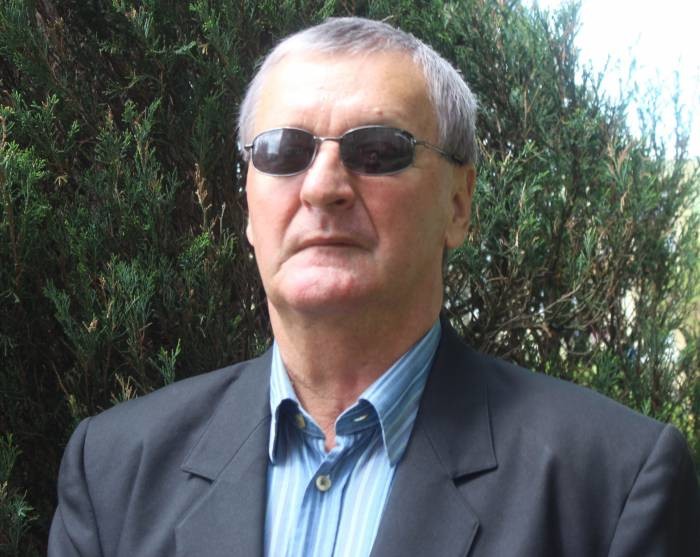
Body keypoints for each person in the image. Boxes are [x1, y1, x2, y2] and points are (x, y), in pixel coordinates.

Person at [48, 17, 699, 557]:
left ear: (458, 203)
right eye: (283, 151)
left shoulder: (610, 486)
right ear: (247, 204)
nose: (322, 186)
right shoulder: (115, 472)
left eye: (378, 151)